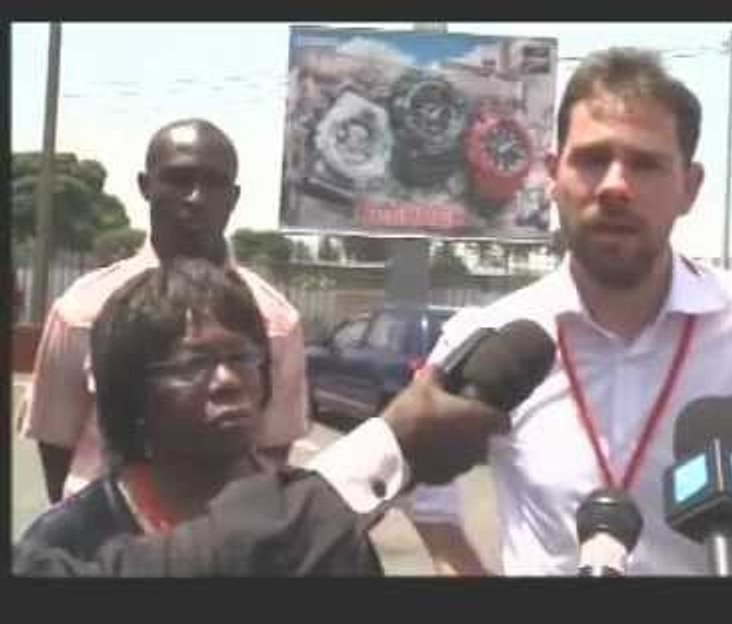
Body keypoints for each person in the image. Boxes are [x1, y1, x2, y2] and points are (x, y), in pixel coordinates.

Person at [407, 47, 732, 576]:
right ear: (552, 175)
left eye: (645, 164)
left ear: (689, 187)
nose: (615, 186)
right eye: (592, 159)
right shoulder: (488, 343)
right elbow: (425, 496)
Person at [17, 118, 309, 504]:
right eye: (179, 179)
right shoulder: (81, 309)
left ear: (233, 197)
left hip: (223, 533)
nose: (196, 197)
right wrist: (85, 527)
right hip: (105, 531)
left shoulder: (277, 322)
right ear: (146, 186)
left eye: (214, 183)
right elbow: (55, 440)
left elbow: (272, 451)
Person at [14, 358, 510, 577]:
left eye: (242, 357)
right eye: (191, 364)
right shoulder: (66, 538)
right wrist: (375, 457)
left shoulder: (325, 540)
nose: (227, 381)